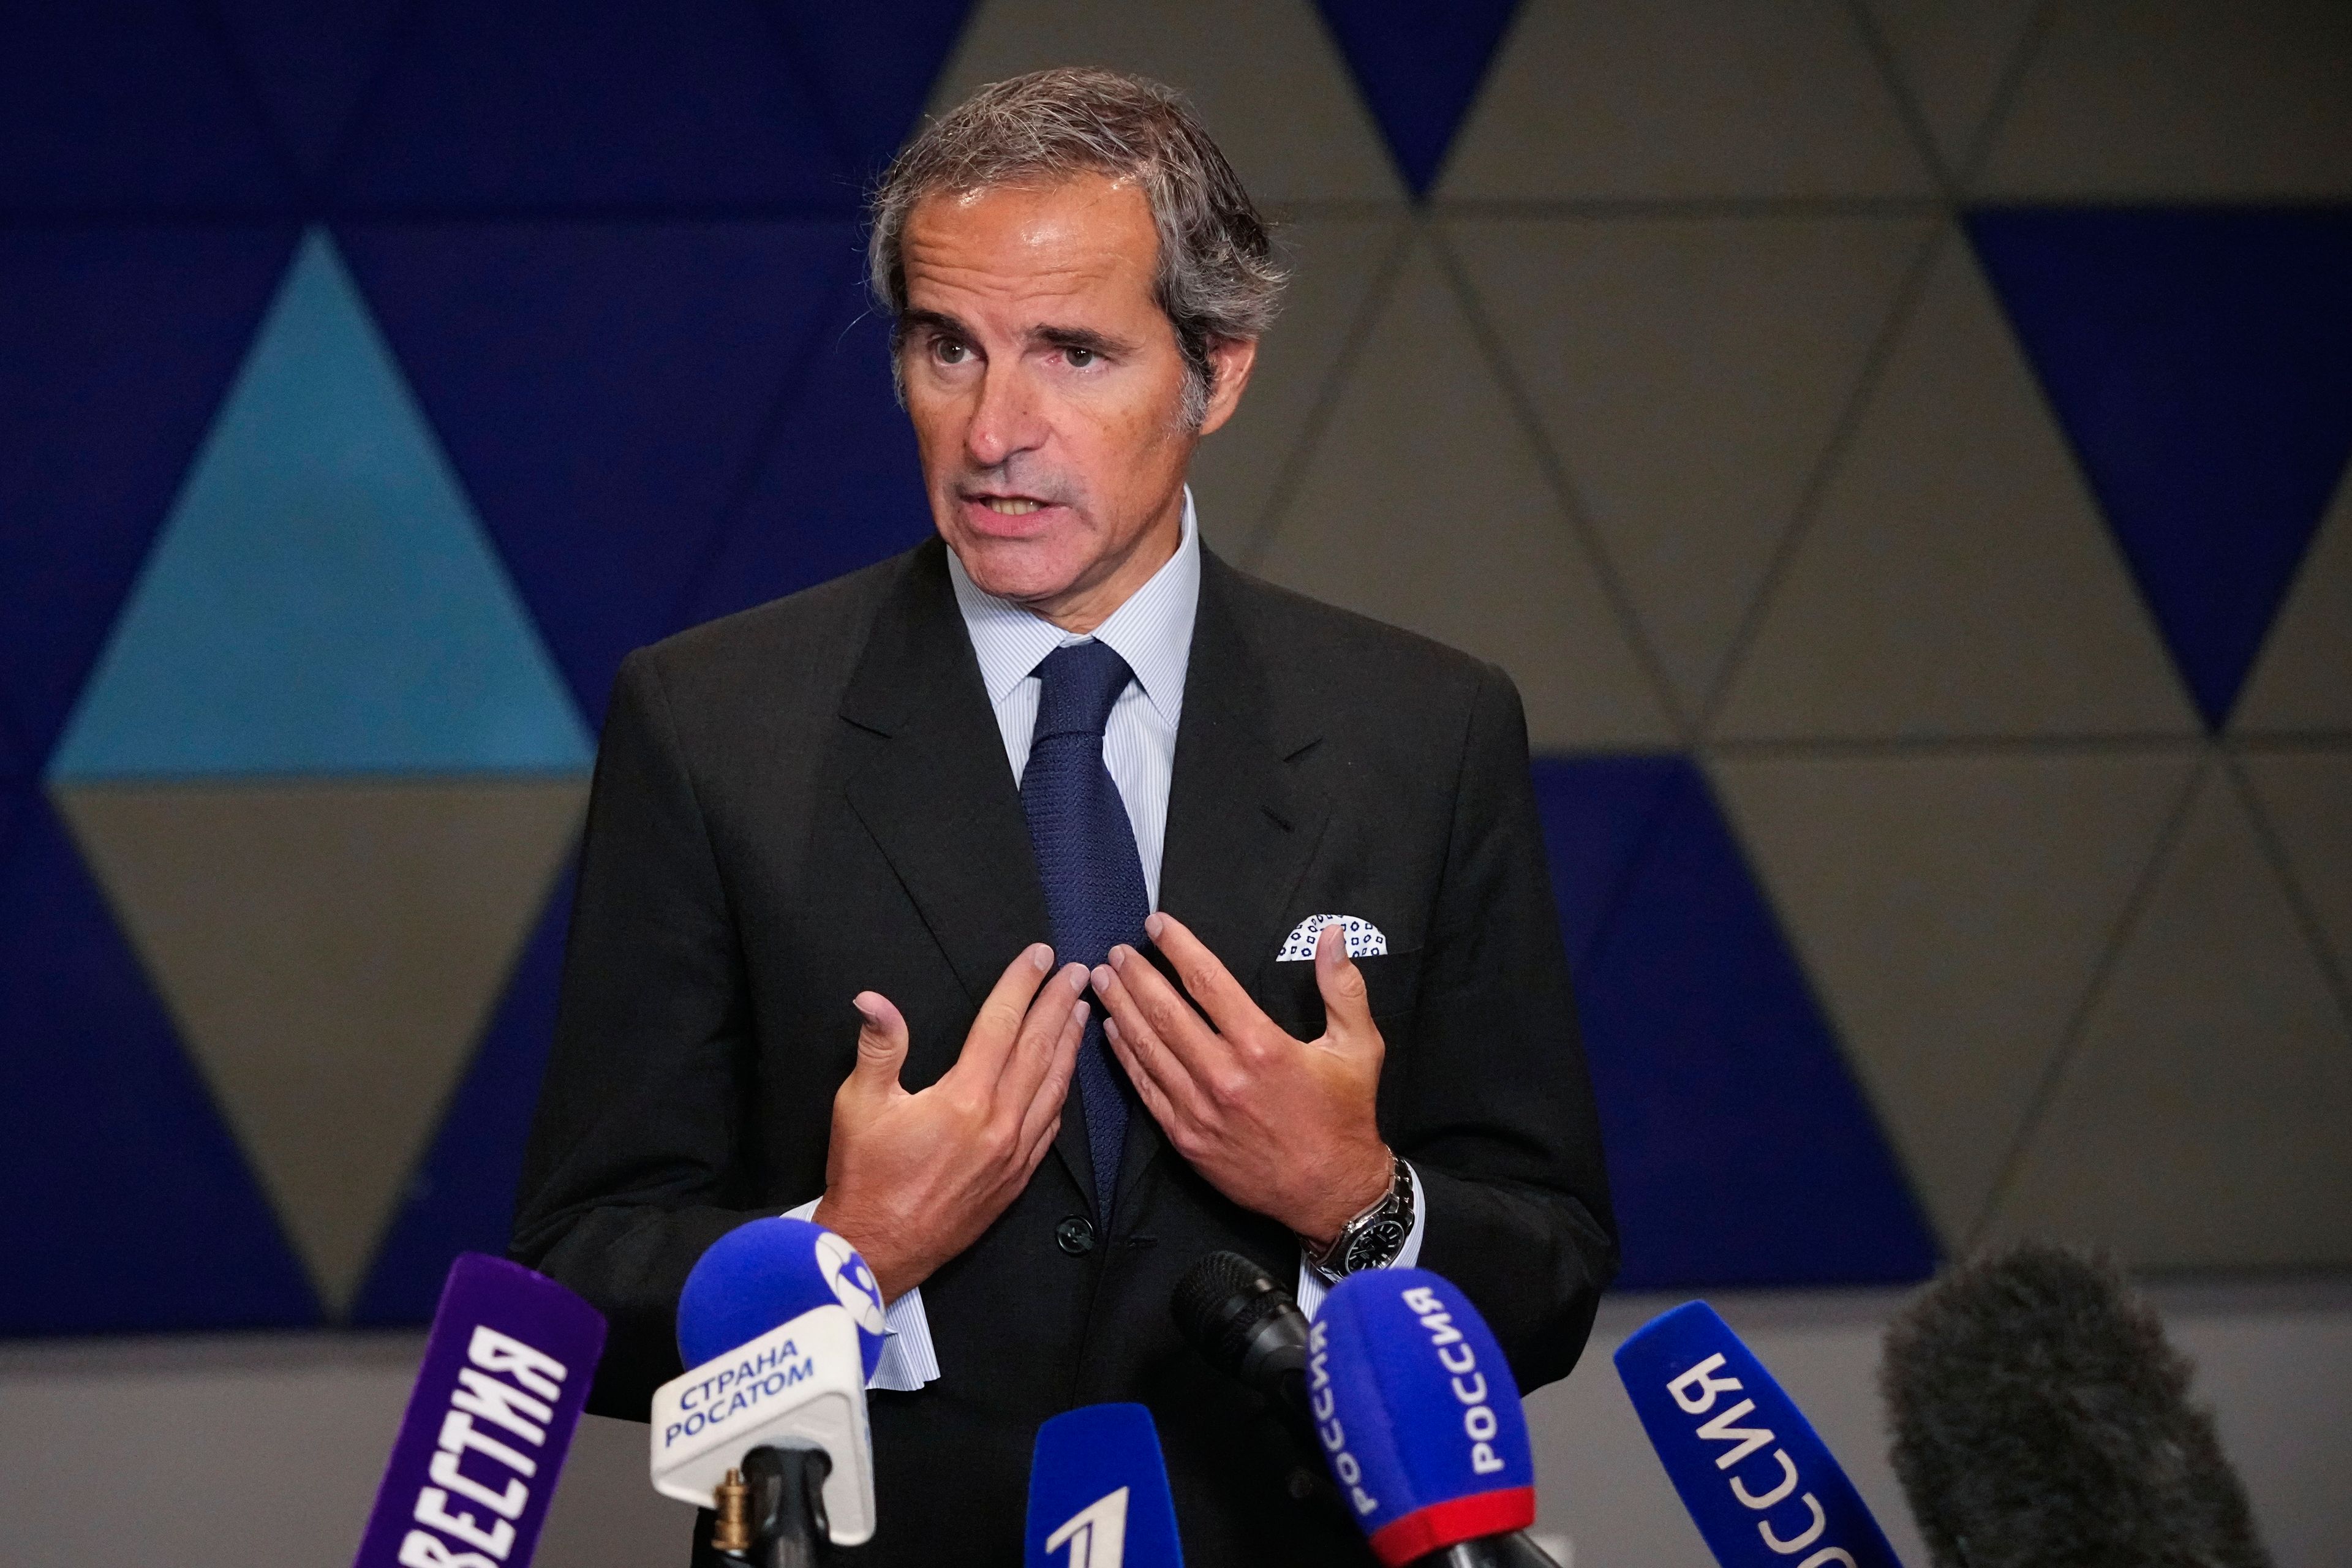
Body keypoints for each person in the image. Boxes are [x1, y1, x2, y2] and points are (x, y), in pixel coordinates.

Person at [511, 66, 1616, 1566]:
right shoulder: (711, 724)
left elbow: (1550, 1272)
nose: (992, 431)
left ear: (1216, 372)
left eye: (1074, 354)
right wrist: (844, 1258)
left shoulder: (1425, 731)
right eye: (945, 348)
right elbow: (579, 1282)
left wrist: (1357, 1203)